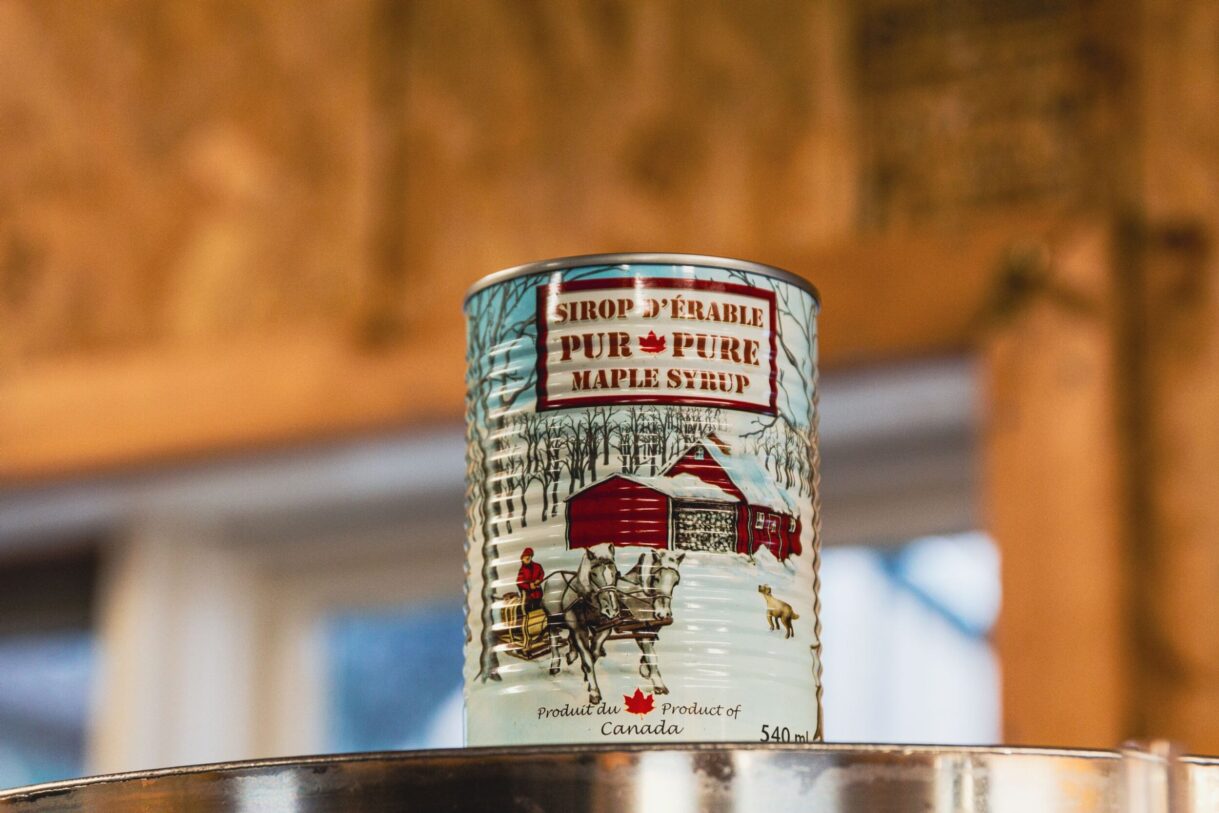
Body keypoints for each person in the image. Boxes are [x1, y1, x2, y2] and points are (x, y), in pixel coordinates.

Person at [517, 547, 545, 613]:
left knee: (540, 609)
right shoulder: (522, 570)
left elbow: (542, 573)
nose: (527, 558)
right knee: (531, 611)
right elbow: (519, 582)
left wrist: (539, 580)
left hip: (538, 594)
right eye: (525, 557)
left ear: (531, 557)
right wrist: (529, 586)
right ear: (522, 559)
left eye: (529, 556)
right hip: (528, 596)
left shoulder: (537, 566)